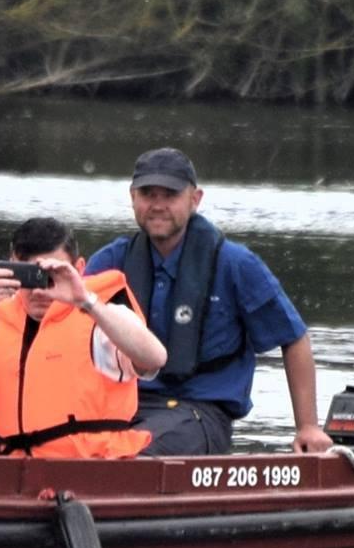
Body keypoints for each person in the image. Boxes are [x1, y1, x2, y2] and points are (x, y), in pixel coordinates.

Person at [78, 147, 334, 457]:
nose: (157, 205)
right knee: (64, 446)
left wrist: (308, 427)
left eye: (169, 195)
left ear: (195, 199)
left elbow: (293, 339)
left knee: (131, 452)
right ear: (132, 197)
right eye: (148, 194)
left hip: (200, 412)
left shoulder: (236, 263)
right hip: (123, 407)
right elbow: (63, 328)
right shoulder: (110, 261)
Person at [0, 215, 166, 459]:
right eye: (29, 275)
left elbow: (154, 358)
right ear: (11, 268)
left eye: (51, 275)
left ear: (79, 269)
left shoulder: (103, 320)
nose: (39, 290)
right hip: (18, 475)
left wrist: (85, 300)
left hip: (92, 473)